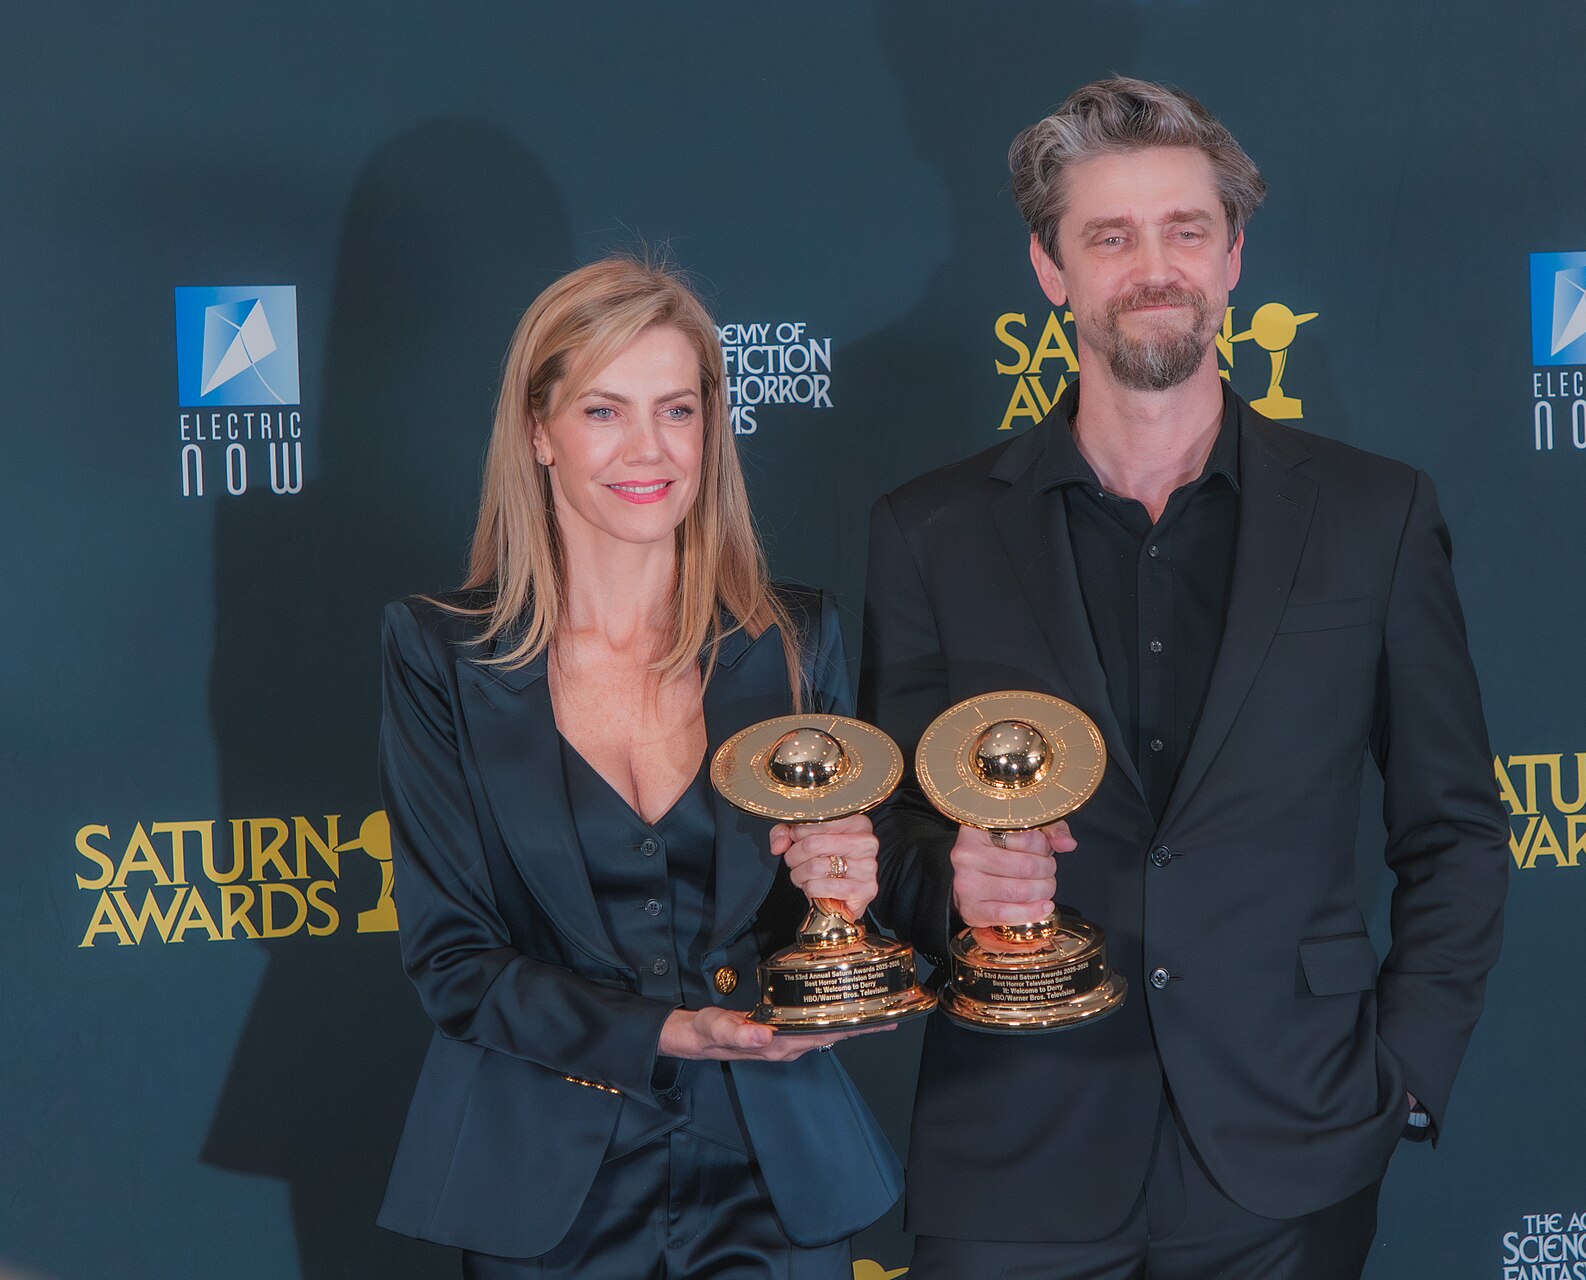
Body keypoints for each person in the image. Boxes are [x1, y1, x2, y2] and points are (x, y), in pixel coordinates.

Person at [862, 79, 1509, 1278]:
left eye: (1184, 231)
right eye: (1110, 236)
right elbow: (880, 834)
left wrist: (1401, 1079)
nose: (1152, 266)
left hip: (1293, 1146)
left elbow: (1457, 826)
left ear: (1233, 259)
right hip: (1015, 1151)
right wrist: (948, 873)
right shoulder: (929, 531)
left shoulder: (1375, 514)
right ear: (1051, 269)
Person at [374, 255, 900, 1278]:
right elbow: (453, 959)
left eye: (677, 409)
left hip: (773, 1174)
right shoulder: (439, 651)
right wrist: (667, 1029)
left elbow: (832, 942)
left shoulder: (794, 638)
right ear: (539, 431)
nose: (649, 450)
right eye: (605, 412)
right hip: (545, 1188)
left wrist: (844, 897)